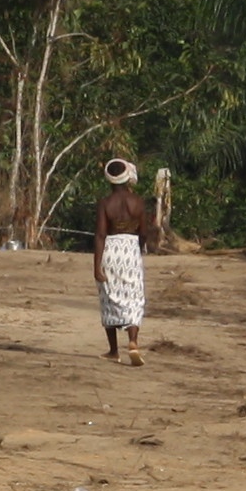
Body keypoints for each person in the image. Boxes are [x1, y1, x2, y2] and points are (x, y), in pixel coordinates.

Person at [94, 153, 153, 365]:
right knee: (134, 296)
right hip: (130, 249)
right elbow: (144, 232)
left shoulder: (105, 203)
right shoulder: (137, 202)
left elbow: (100, 235)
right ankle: (134, 342)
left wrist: (97, 266)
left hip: (110, 249)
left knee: (109, 296)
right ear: (128, 177)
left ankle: (113, 351)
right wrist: (139, 248)